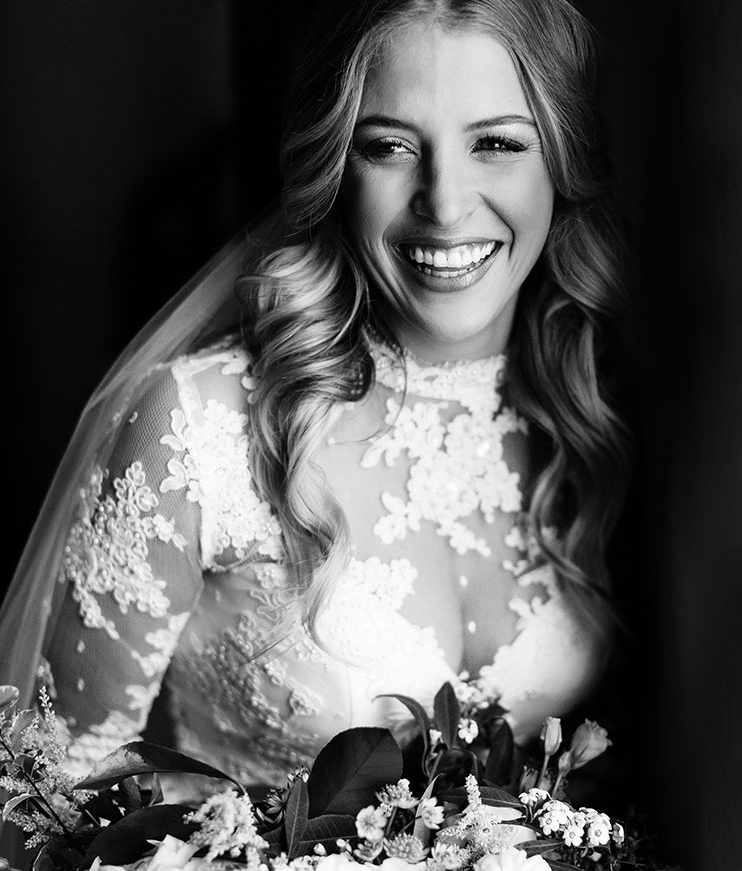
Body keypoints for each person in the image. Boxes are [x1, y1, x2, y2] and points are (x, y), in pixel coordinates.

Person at [0, 0, 632, 797]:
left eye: (497, 143)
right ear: (335, 166)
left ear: (561, 160)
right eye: (390, 146)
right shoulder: (197, 428)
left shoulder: (590, 409)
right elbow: (50, 796)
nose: (444, 203)